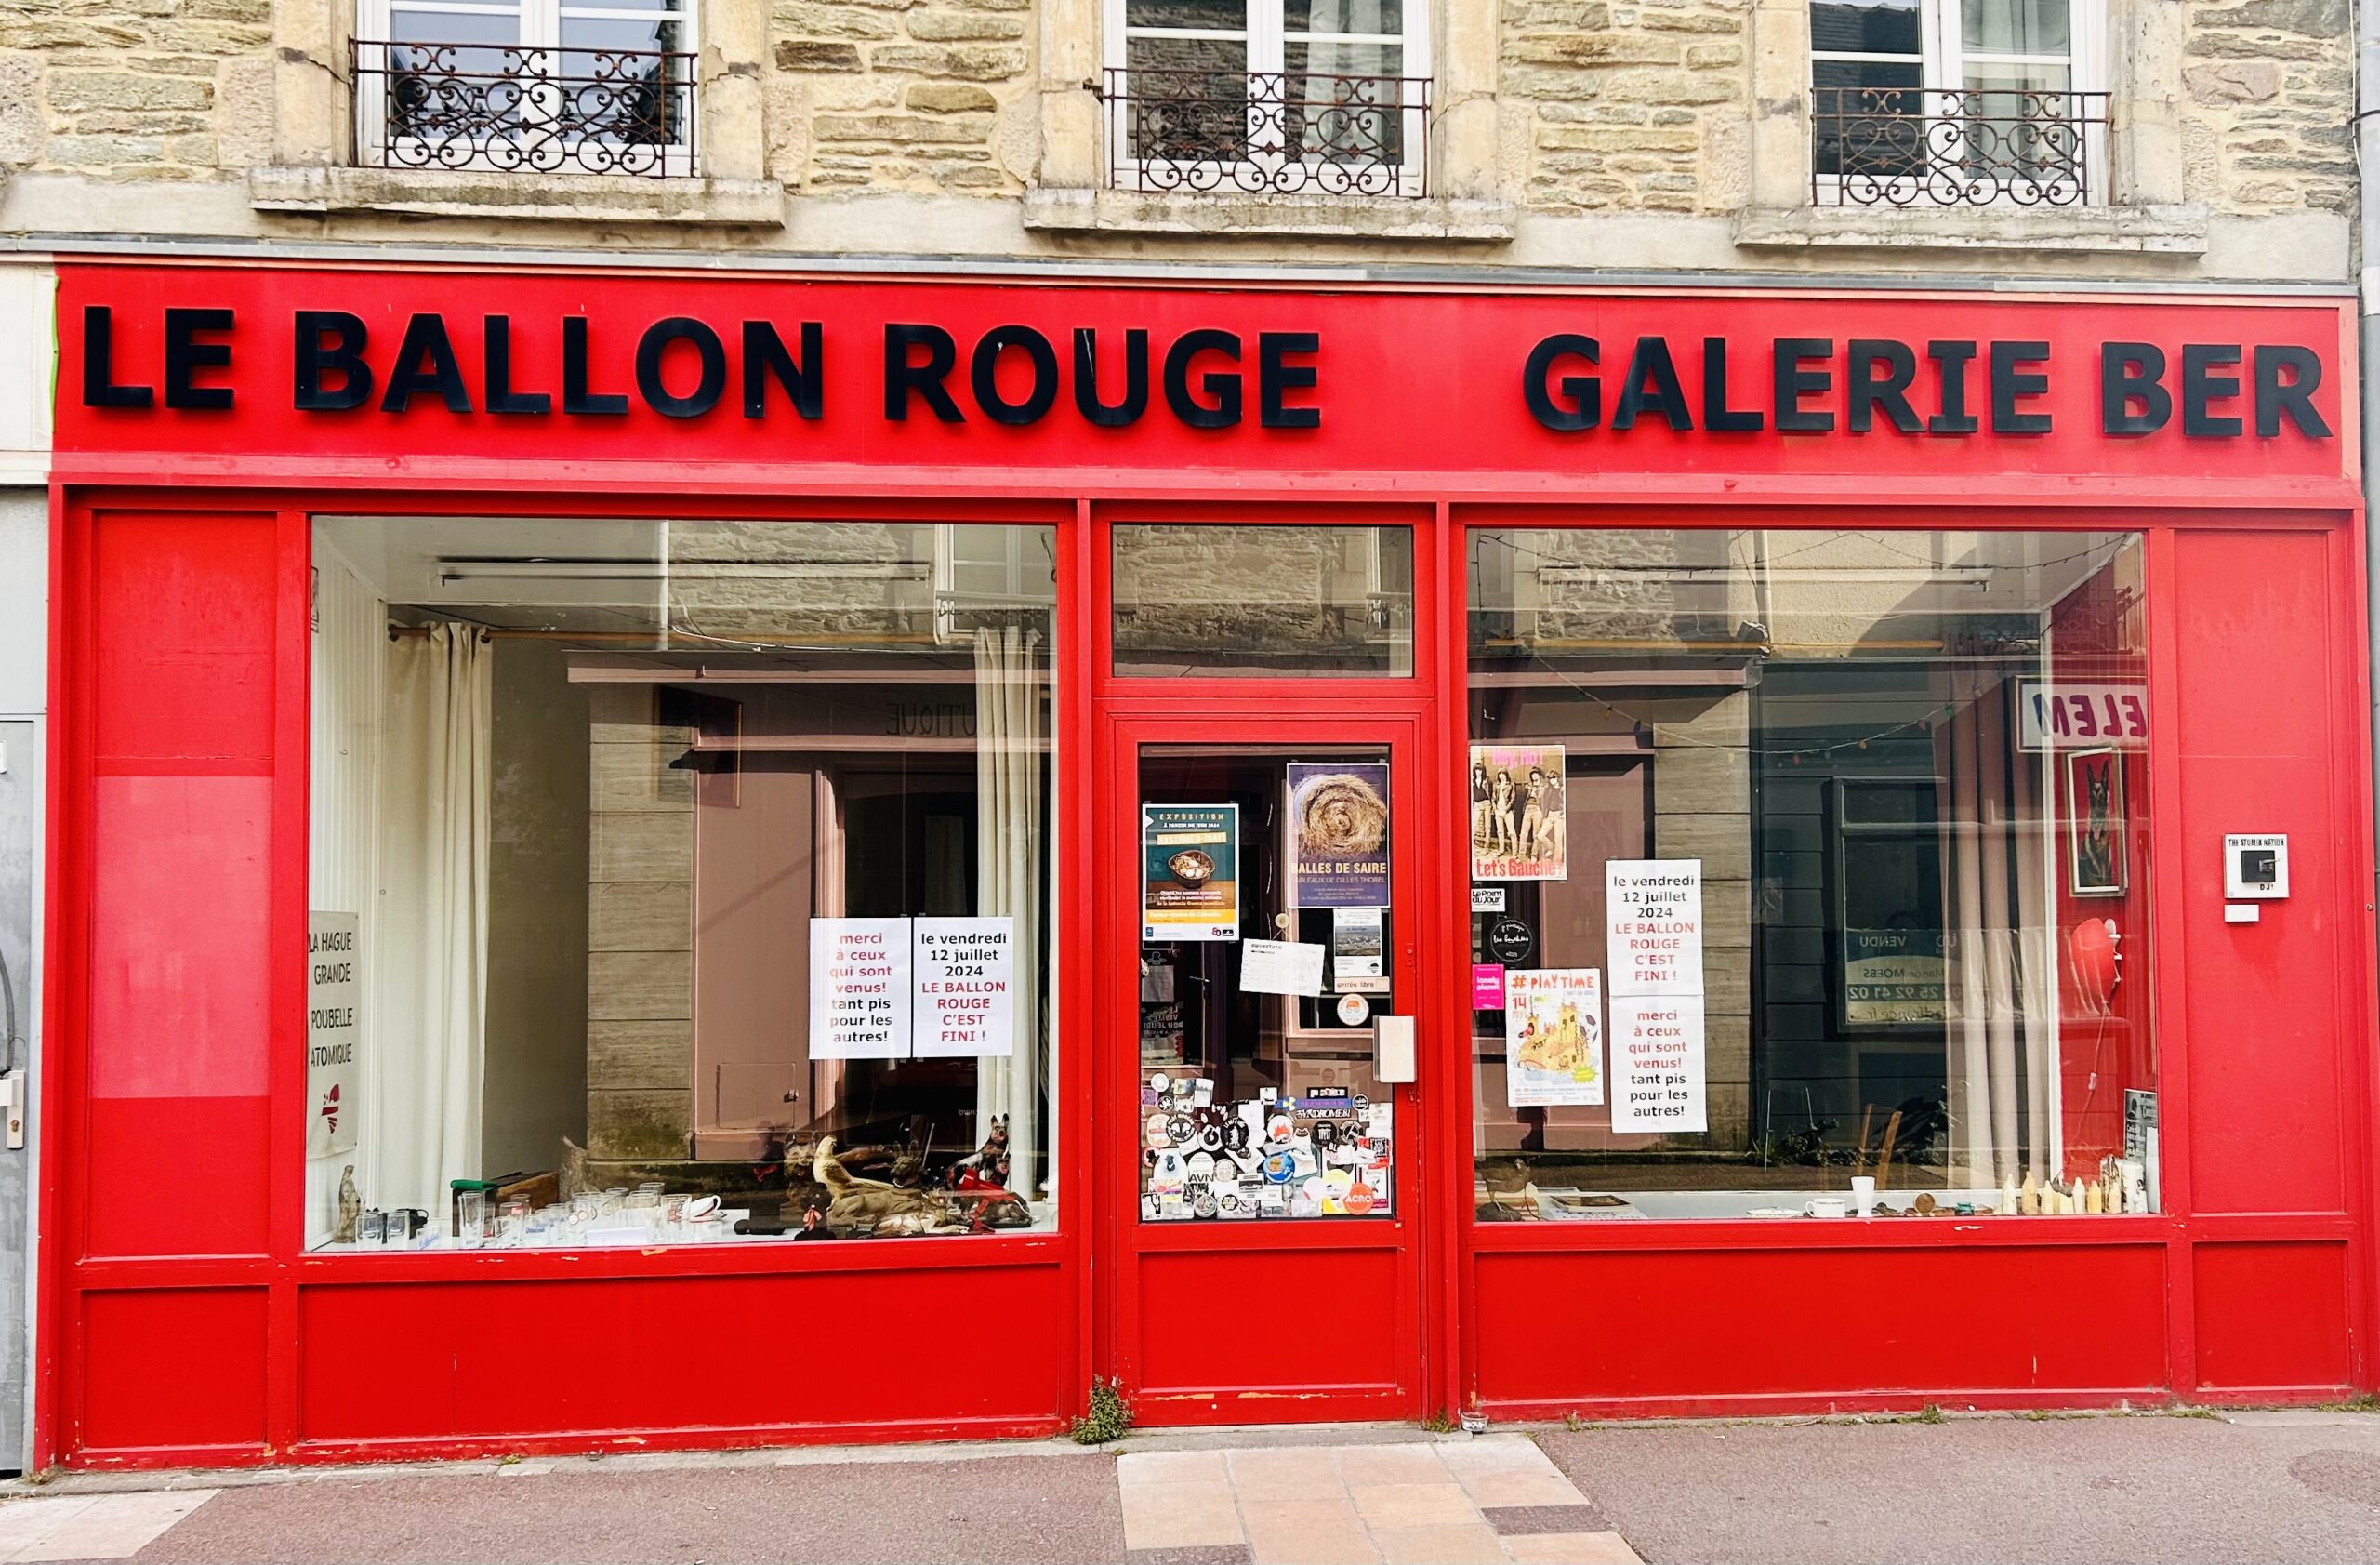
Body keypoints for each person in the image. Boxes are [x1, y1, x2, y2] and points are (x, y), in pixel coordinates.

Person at [1518, 767, 1547, 869]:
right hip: (1527, 809)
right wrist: (1531, 790)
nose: (1534, 776)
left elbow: (1541, 796)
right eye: (1532, 774)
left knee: (1536, 834)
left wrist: (1536, 792)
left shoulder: (1543, 786)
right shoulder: (1530, 786)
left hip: (1537, 810)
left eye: (1536, 774)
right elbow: (1527, 789)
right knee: (1523, 834)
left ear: (1539, 775)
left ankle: (1534, 855)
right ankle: (1521, 855)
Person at [1491, 768, 1517, 858]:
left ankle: (1514, 853)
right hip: (1498, 811)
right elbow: (1493, 799)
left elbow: (1513, 799)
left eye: (1503, 774)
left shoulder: (1511, 785)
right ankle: (1501, 851)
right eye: (1500, 774)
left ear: (1506, 775)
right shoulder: (1496, 785)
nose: (1501, 776)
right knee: (1500, 832)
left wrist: (1505, 810)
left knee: (1511, 832)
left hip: (1507, 811)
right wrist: (1495, 810)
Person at [1471, 759, 1494, 854]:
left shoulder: (1487, 780)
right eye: (1477, 770)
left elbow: (1491, 792)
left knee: (1487, 825)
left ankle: (1487, 846)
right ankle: (1470, 845)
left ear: (1482, 771)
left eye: (1480, 770)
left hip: (1486, 803)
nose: (1478, 772)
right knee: (1474, 824)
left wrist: (1492, 803)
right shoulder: (1472, 781)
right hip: (1477, 804)